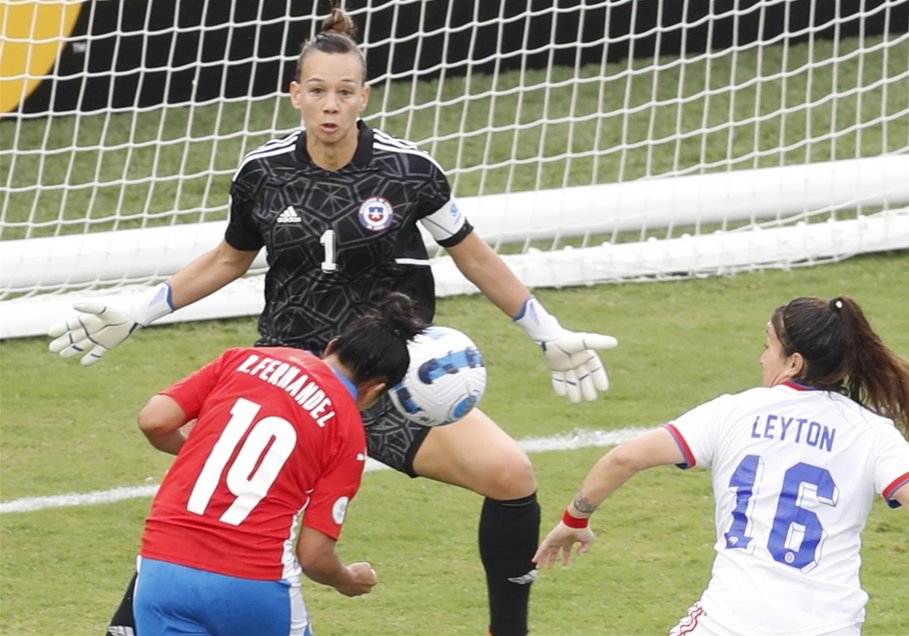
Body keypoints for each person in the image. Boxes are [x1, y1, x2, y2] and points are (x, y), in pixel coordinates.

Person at [47, 7, 618, 636]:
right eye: (318, 90)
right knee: (221, 503)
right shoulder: (263, 173)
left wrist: (547, 331)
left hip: (386, 381)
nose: (331, 104)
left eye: (345, 92)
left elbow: (475, 256)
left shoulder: (409, 171)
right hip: (288, 381)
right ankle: (128, 626)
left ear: (364, 97)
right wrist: (139, 311)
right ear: (295, 94)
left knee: (510, 476)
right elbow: (229, 259)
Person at [533, 296, 909, 636]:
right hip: (830, 626)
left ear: (794, 362)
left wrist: (575, 518)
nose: (762, 358)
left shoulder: (732, 412)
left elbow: (625, 457)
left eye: (768, 346)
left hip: (730, 622)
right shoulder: (872, 432)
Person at [132, 292, 425, 635]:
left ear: (331, 346)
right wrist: (346, 579)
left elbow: (154, 421)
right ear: (375, 389)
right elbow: (314, 557)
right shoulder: (347, 431)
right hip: (253, 581)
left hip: (161, 569)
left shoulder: (244, 359)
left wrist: (204, 453)